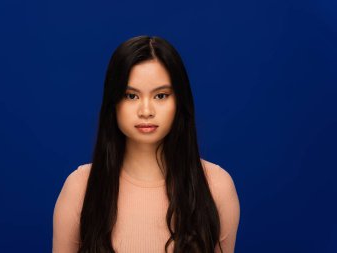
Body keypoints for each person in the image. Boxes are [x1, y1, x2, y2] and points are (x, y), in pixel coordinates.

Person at [52, 35, 240, 253]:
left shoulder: (216, 187)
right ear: (113, 103)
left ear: (180, 101)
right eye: (131, 96)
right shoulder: (80, 188)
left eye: (161, 96)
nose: (146, 111)